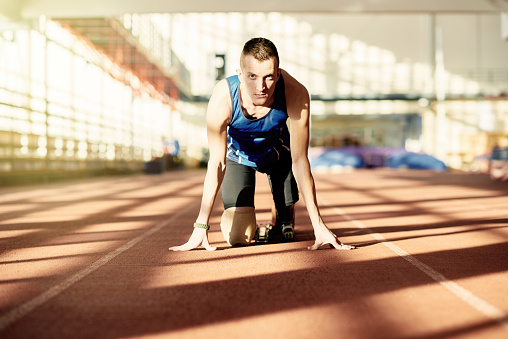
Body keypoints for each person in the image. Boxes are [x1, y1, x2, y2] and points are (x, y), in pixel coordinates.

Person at [169, 37, 355, 251]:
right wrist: (201, 225)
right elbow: (217, 163)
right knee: (239, 236)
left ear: (278, 74)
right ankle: (255, 221)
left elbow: (300, 160)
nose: (261, 87)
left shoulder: (296, 94)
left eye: (268, 77)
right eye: (252, 76)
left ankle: (283, 211)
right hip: (239, 157)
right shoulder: (223, 99)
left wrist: (318, 225)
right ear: (240, 75)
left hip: (278, 156)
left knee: (284, 233)